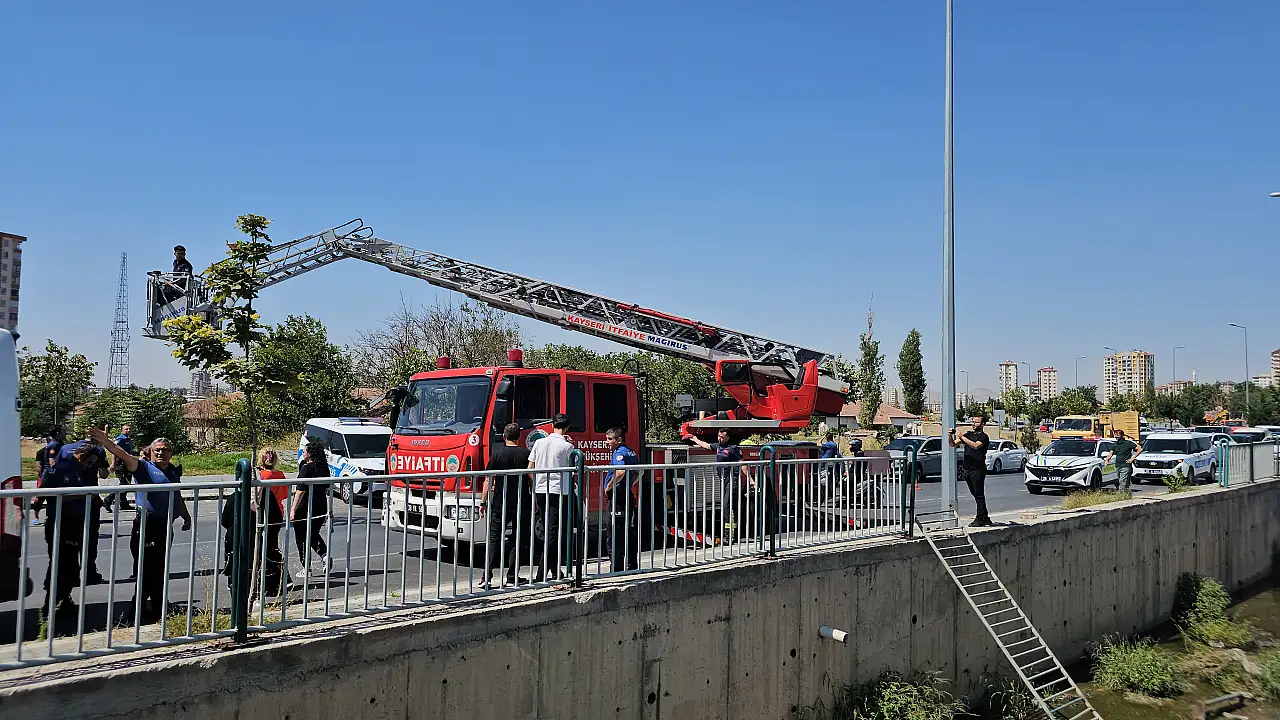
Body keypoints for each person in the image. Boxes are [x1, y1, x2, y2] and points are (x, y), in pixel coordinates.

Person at [90, 429, 191, 623]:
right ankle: (136, 612)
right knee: (145, 570)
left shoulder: (171, 470)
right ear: (150, 452)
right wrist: (106, 442)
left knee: (160, 568)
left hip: (164, 526)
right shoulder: (142, 467)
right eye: (157, 450)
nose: (161, 453)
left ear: (171, 452)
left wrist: (186, 516)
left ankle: (159, 608)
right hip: (146, 525)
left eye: (165, 450)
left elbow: (176, 495)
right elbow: (121, 454)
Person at [38, 442, 98, 615]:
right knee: (65, 565)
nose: (90, 466)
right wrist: (86, 494)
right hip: (63, 523)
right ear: (83, 456)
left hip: (72, 522)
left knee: (67, 564)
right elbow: (55, 495)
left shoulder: (75, 468)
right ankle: (52, 604)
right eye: (90, 462)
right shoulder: (65, 468)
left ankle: (62, 599)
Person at [482, 423, 531, 588]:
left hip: (500, 502)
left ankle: (487, 577)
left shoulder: (497, 454)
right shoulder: (526, 454)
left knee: (494, 539)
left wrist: (483, 502)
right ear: (519, 437)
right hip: (521, 502)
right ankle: (512, 576)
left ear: (504, 436)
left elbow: (488, 480)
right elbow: (531, 478)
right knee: (518, 540)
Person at [528, 414, 575, 582]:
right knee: (554, 533)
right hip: (558, 491)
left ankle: (555, 571)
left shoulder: (539, 443)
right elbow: (575, 467)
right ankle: (541, 575)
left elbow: (530, 468)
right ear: (567, 428)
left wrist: (538, 482)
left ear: (553, 426)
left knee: (548, 529)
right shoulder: (568, 446)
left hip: (541, 490)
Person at [688, 428, 754, 542]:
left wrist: (750, 480)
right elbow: (706, 445)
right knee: (726, 506)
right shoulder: (718, 446)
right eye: (718, 436)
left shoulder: (733, 448)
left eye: (722, 437)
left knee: (727, 506)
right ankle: (730, 534)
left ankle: (729, 535)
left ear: (728, 437)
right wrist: (695, 439)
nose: (719, 438)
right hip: (723, 479)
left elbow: (742, 464)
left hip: (732, 479)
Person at [292, 440, 332, 577]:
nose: (303, 453)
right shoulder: (324, 468)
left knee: (301, 537)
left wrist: (293, 509)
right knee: (313, 533)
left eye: (304, 451)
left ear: (310, 454)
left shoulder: (306, 468)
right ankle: (324, 555)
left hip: (305, 507)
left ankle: (306, 568)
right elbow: (326, 489)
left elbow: (300, 491)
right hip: (320, 506)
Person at [605, 427, 640, 572]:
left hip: (618, 497)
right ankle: (632, 565)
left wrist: (609, 487)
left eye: (610, 439)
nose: (607, 442)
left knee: (614, 533)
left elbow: (620, 471)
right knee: (628, 531)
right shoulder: (631, 451)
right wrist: (630, 484)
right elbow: (639, 472)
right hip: (627, 495)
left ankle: (617, 568)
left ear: (618, 440)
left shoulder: (619, 453)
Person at [949, 416, 992, 527]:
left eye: (976, 422)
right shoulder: (968, 434)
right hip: (967, 469)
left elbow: (975, 446)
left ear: (983, 424)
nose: (973, 424)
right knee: (975, 494)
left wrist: (961, 437)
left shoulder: (984, 437)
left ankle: (980, 518)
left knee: (979, 494)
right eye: (973, 422)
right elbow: (952, 444)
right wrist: (950, 435)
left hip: (978, 470)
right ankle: (985, 517)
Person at [105, 424, 135, 511]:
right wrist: (113, 463)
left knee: (126, 484)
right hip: (120, 464)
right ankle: (108, 500)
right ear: (121, 430)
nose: (128, 430)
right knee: (124, 483)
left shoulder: (127, 439)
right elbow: (113, 451)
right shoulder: (120, 439)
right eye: (126, 429)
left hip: (127, 464)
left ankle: (123, 503)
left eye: (129, 429)